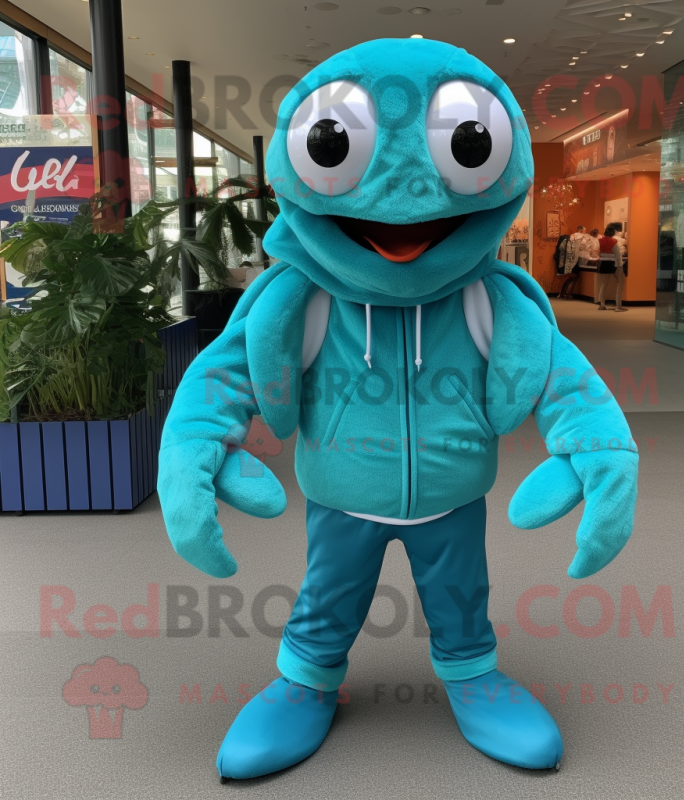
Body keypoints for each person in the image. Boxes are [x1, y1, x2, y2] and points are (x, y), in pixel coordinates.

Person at [157, 38, 638, 781]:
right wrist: (193, 446)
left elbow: (561, 377)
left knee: (462, 595)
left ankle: (472, 672)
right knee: (328, 593)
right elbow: (225, 374)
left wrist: (599, 447)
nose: (404, 202)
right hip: (341, 495)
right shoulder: (300, 300)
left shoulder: (488, 300)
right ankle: (306, 679)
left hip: (453, 497)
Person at [597, 224, 627, 311]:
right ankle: (618, 306)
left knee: (604, 284)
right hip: (613, 264)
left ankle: (602, 304)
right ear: (613, 233)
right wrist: (620, 265)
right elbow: (618, 255)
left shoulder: (600, 241)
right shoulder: (613, 242)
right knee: (620, 283)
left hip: (603, 263)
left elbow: (597, 252)